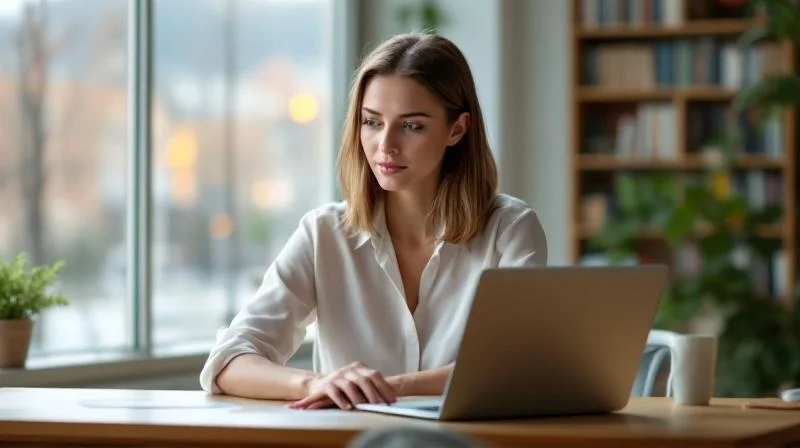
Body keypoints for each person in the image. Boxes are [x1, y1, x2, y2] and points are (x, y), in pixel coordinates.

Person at [199, 31, 547, 410]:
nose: (386, 145)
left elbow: (515, 365)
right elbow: (228, 360)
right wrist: (319, 383)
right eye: (372, 122)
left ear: (457, 129)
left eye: (411, 126)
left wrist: (388, 388)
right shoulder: (323, 234)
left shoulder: (510, 230)